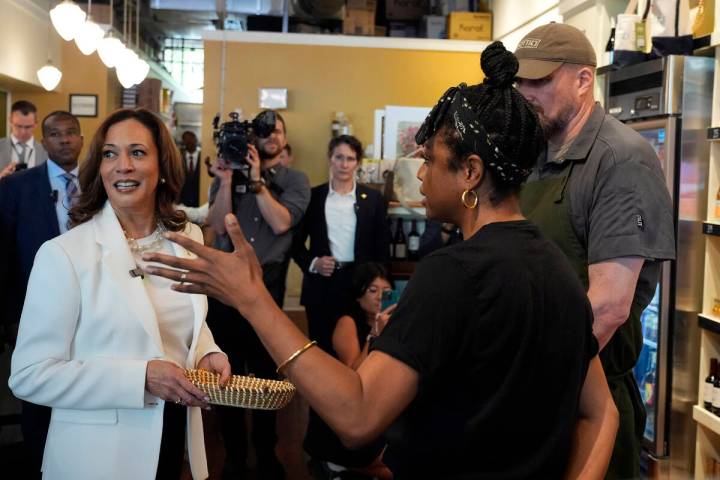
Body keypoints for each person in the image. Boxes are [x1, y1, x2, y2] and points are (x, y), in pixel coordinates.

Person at [144, 42, 619, 479]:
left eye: (430, 159)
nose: (421, 171)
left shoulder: (453, 273)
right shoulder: (559, 267)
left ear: (471, 172)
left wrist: (252, 299)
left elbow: (356, 416)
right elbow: (601, 414)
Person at [8, 108, 230, 480]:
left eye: (138, 153)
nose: (122, 165)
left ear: (162, 166)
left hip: (173, 436)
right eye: (110, 154)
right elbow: (30, 375)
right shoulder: (64, 253)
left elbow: (184, 318)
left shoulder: (187, 239)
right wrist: (140, 378)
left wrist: (207, 350)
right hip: (97, 457)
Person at [514, 23, 675, 479]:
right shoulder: (537, 152)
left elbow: (607, 308)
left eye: (540, 81)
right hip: (537, 393)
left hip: (586, 398)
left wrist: (527, 378)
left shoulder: (621, 160)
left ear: (584, 80)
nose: (525, 92)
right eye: (520, 80)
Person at [205, 110, 310, 479]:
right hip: (226, 289)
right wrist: (227, 181)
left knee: (266, 375)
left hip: (268, 288)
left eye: (276, 130)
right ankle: (234, 455)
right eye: (262, 131)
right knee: (227, 376)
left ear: (283, 137)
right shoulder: (226, 174)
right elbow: (217, 225)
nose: (270, 136)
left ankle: (267, 454)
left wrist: (257, 181)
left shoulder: (295, 179)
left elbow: (282, 222)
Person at [0, 110, 83, 477]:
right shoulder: (17, 187)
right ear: (43, 141)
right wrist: (11, 318)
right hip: (34, 311)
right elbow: (4, 258)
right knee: (40, 399)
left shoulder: (101, 182)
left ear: (82, 138)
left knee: (83, 390)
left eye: (71, 133)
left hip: (92, 310)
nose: (64, 140)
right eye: (55, 134)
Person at [292, 135, 390, 352]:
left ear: (358, 162)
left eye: (350, 158)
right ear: (330, 159)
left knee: (361, 345)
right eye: (339, 157)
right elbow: (294, 244)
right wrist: (313, 263)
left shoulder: (373, 199)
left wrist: (378, 285)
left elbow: (382, 246)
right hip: (322, 284)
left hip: (360, 284)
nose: (344, 164)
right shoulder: (313, 197)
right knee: (320, 347)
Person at [304, 263, 395, 480]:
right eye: (372, 290)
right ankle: (336, 464)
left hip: (377, 405)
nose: (380, 296)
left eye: (386, 291)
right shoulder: (348, 322)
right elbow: (354, 373)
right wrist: (374, 335)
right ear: (358, 295)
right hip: (347, 408)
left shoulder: (394, 323)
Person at [0, 101, 48, 179]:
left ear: (36, 124)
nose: (23, 131)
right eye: (18, 126)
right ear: (10, 121)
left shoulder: (47, 151)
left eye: (28, 127)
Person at [179, 130, 201, 207]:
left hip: (200, 200)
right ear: (183, 142)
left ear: (196, 140)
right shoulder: (178, 157)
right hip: (182, 201)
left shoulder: (203, 157)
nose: (189, 141)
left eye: (191, 139)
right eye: (186, 139)